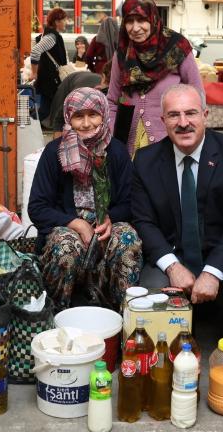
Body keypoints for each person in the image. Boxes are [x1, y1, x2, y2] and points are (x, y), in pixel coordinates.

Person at [131, 84, 223, 338]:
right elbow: (144, 221)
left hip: (219, 252)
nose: (183, 123)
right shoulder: (146, 160)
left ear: (205, 115)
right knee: (151, 288)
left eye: (191, 113)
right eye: (173, 115)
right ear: (162, 120)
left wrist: (212, 272)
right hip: (173, 253)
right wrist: (172, 267)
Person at [28, 87, 142, 310]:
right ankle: (58, 314)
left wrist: (110, 218)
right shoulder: (54, 152)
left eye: (93, 115)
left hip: (107, 224)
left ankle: (122, 316)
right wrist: (77, 224)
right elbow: (37, 207)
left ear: (104, 115)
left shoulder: (116, 152)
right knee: (65, 247)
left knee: (128, 239)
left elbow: (132, 202)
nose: (87, 123)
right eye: (78, 116)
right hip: (66, 224)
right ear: (69, 118)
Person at [107, 0, 204, 154]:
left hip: (172, 143)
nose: (135, 28)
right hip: (130, 146)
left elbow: (198, 94)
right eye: (129, 21)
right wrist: (113, 138)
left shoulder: (177, 47)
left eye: (141, 20)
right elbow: (111, 100)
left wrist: (191, 135)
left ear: (153, 19)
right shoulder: (122, 53)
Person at [29, 7, 68, 123]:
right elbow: (35, 51)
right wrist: (34, 72)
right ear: (57, 21)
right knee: (46, 110)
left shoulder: (49, 35)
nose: (66, 22)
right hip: (50, 80)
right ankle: (27, 126)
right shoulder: (52, 37)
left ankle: (28, 125)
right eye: (64, 20)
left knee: (47, 109)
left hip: (48, 79)